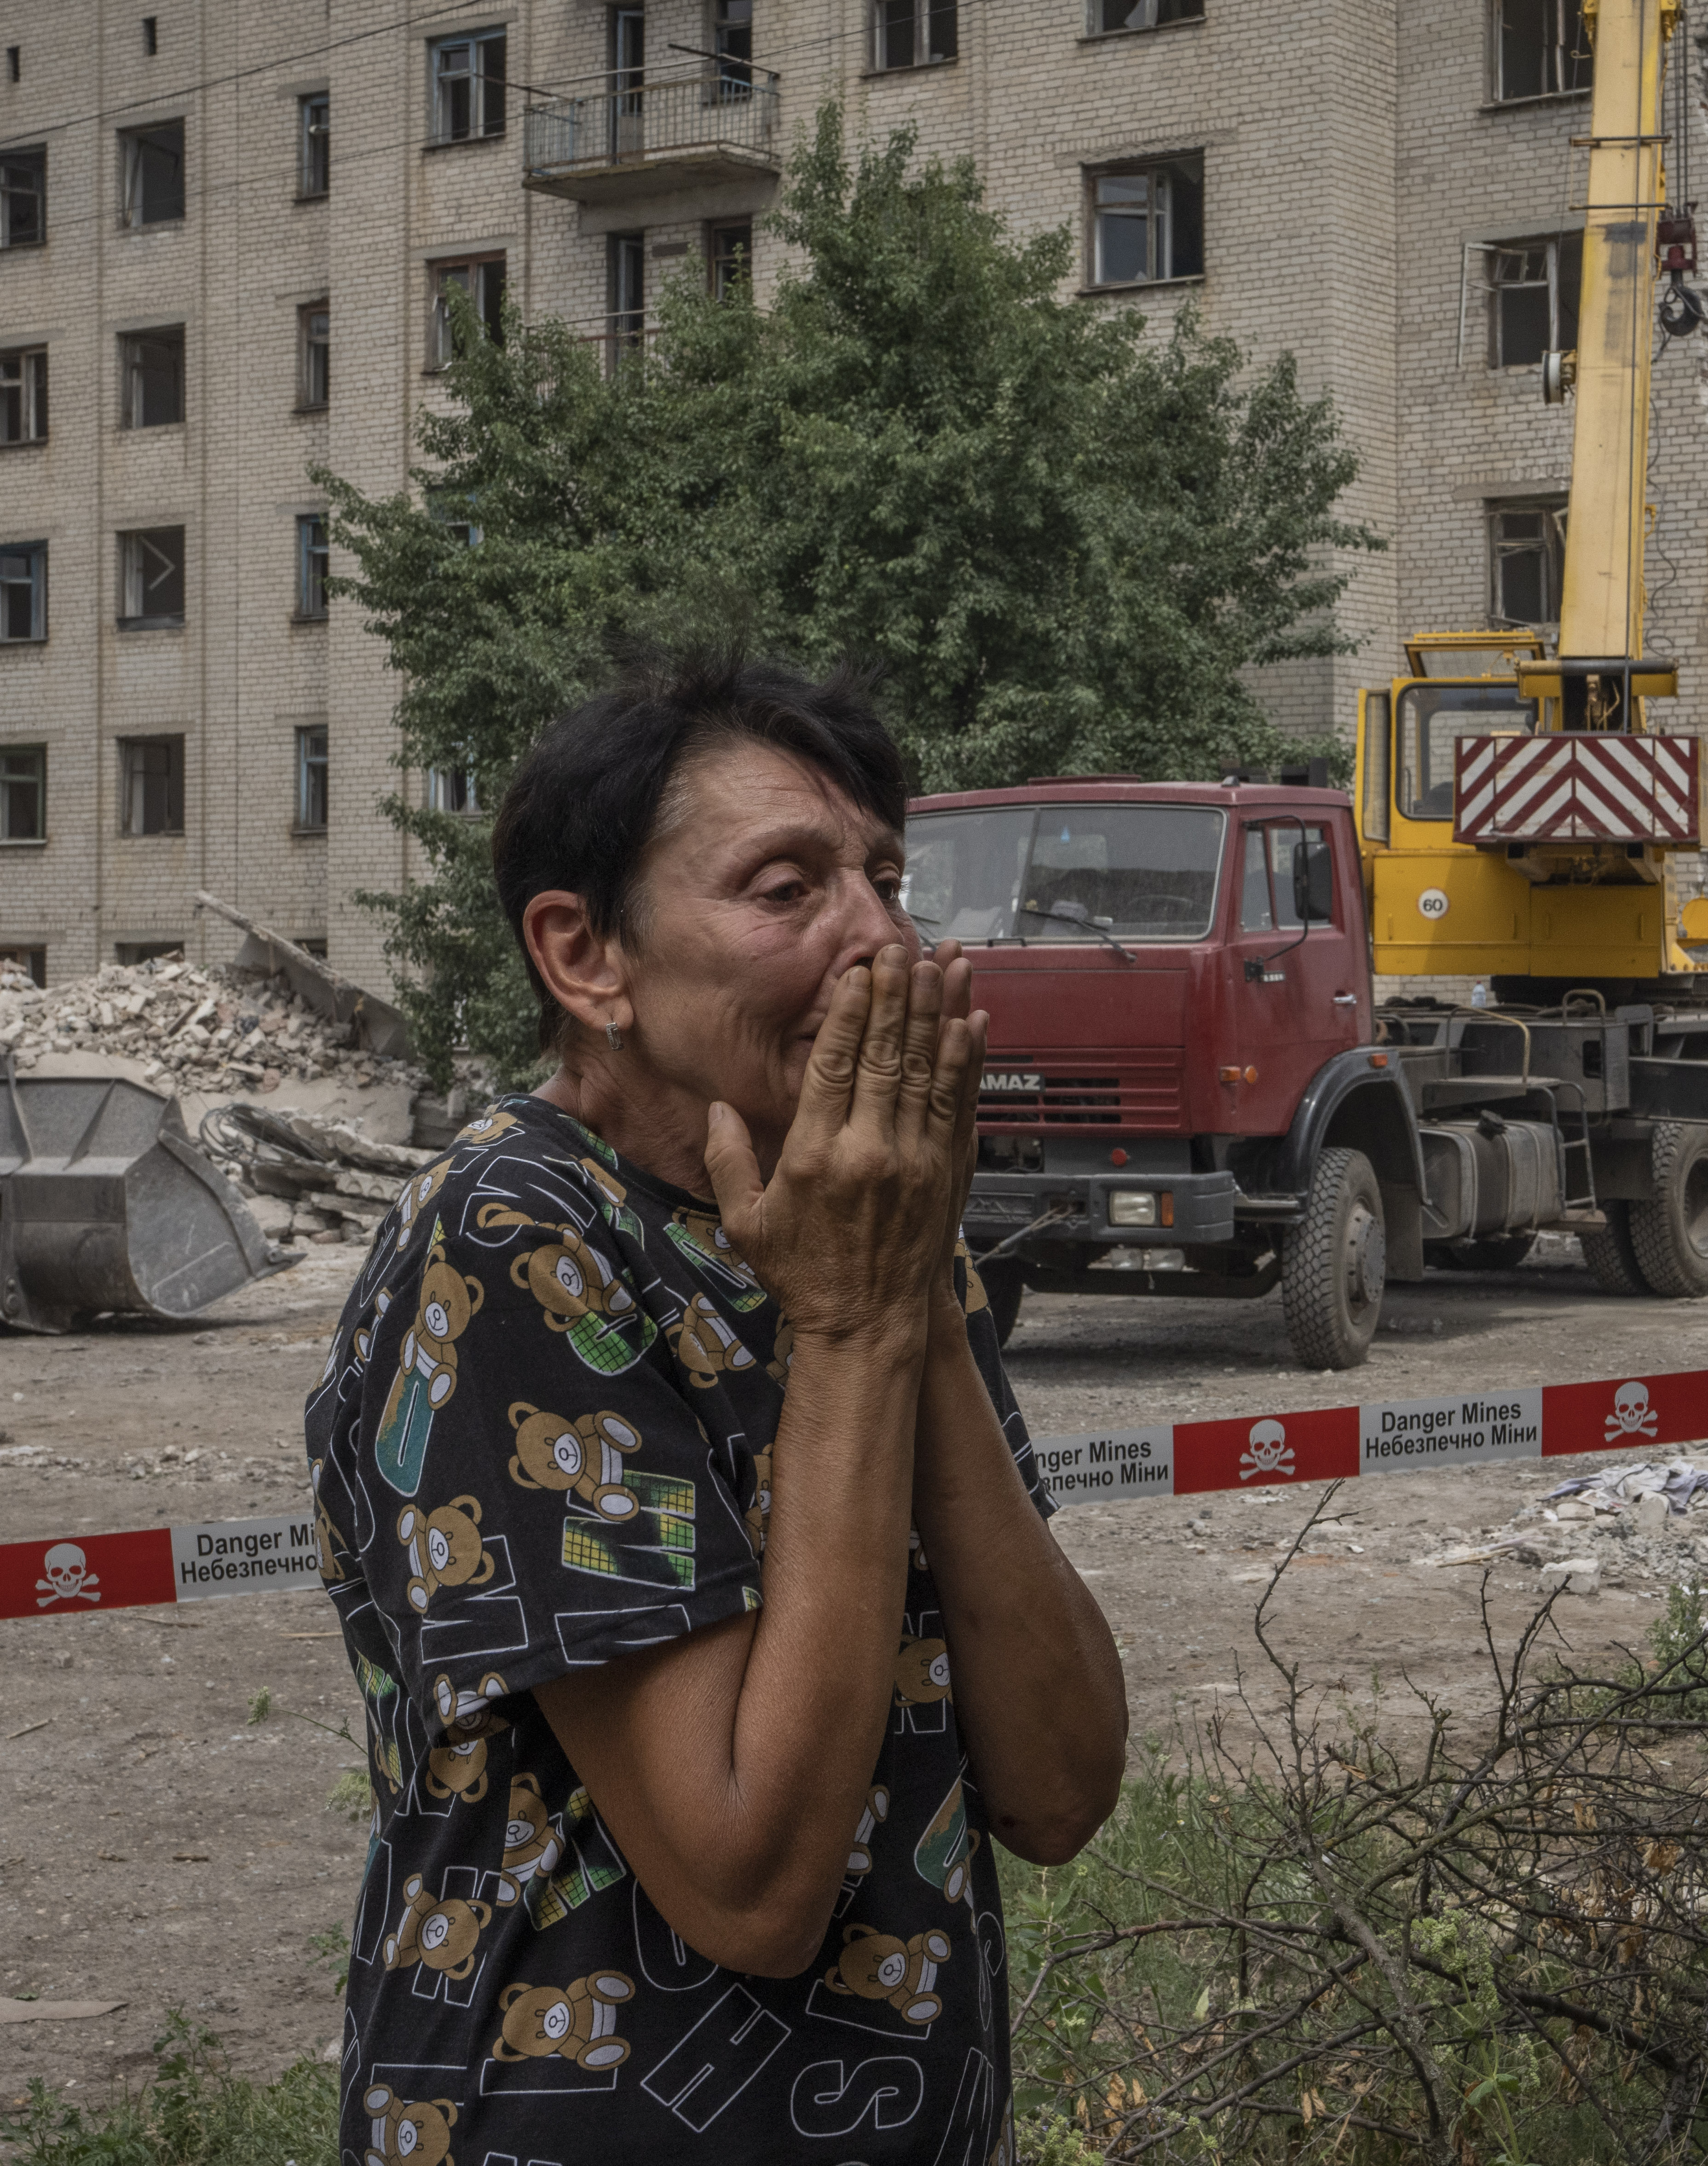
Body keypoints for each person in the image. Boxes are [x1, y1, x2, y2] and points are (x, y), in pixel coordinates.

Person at [305, 655, 1128, 2166]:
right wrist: (863, 1319)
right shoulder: (516, 1242)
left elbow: (1063, 1784)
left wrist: (909, 1305)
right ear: (587, 955)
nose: (879, 937)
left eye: (887, 876)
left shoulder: (867, 1229)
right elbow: (748, 1879)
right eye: (786, 886)